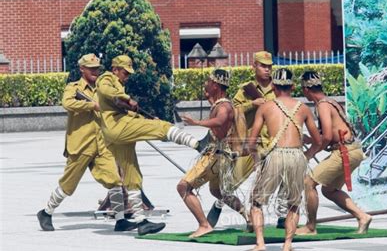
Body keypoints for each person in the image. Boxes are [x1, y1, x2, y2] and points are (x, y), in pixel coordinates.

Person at [96, 54, 204, 235]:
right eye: (125, 72)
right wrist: (127, 99)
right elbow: (107, 91)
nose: (127, 76)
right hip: (117, 127)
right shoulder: (106, 78)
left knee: (132, 175)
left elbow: (117, 104)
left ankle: (140, 221)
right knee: (161, 127)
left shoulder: (118, 84)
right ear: (115, 69)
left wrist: (135, 111)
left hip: (114, 133)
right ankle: (196, 144)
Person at [37, 53, 136, 232]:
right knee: (68, 185)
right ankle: (46, 212)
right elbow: (67, 103)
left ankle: (120, 220)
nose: (95, 72)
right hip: (80, 145)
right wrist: (91, 105)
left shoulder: (102, 88)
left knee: (114, 180)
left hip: (101, 144)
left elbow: (115, 109)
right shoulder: (73, 88)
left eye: (97, 68)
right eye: (91, 69)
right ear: (82, 69)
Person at [207, 51, 287, 229]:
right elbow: (232, 111)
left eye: (269, 66)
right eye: (263, 66)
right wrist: (253, 104)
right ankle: (223, 203)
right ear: (254, 66)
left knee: (282, 178)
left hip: (274, 143)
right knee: (225, 187)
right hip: (251, 146)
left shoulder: (278, 88)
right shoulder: (246, 89)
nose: (267, 70)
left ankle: (282, 215)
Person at [247, 68, 322, 251]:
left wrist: (258, 160)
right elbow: (318, 141)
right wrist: (307, 156)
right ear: (293, 86)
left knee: (256, 202)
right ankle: (287, 246)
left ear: (273, 86)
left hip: (275, 155)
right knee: (294, 204)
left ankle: (260, 242)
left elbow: (251, 141)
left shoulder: (265, 107)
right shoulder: (303, 108)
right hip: (297, 156)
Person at [296, 70, 372, 236]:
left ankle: (310, 227)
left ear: (306, 90)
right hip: (352, 150)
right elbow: (330, 134)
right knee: (328, 190)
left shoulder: (322, 105)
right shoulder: (330, 102)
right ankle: (362, 216)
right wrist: (310, 139)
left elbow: (327, 137)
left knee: (309, 183)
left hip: (345, 151)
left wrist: (309, 153)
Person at [178, 68, 249, 238]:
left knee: (183, 187)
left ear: (216, 85)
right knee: (218, 192)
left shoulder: (224, 106)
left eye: (209, 82)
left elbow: (220, 120)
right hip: (221, 157)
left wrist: (197, 122)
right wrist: (211, 100)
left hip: (214, 156)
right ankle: (250, 218)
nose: (206, 84)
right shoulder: (223, 104)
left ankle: (204, 225)